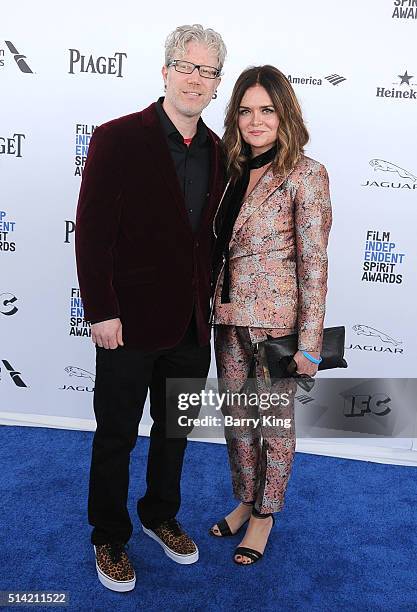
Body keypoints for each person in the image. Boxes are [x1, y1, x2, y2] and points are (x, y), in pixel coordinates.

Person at [75, 24, 226, 591]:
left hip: (191, 323)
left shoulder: (219, 150)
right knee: (116, 432)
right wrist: (101, 310)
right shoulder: (117, 138)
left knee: (175, 433)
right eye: (185, 66)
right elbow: (92, 233)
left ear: (216, 86)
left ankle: (161, 514)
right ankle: (109, 535)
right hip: (127, 324)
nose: (195, 79)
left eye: (207, 72)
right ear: (165, 71)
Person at [209, 65, 332, 565]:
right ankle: (245, 499)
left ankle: (266, 512)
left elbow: (315, 265)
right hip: (227, 318)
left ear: (285, 113)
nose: (255, 121)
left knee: (273, 423)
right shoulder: (228, 169)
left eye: (266, 110)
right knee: (237, 420)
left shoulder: (306, 173)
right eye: (245, 111)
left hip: (277, 328)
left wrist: (310, 343)